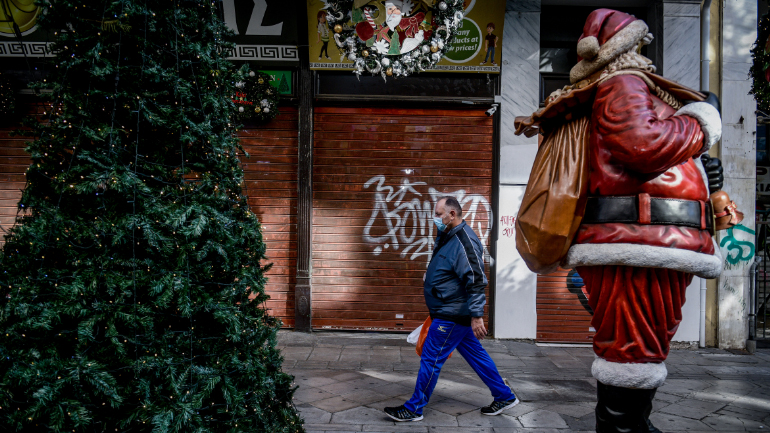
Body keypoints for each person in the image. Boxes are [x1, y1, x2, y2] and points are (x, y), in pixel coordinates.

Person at [515, 9, 724, 433]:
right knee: (633, 348)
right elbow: (643, 146)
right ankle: (624, 428)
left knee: (640, 348)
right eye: (641, 42)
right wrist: (702, 123)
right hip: (637, 241)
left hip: (645, 240)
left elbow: (645, 154)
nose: (646, 51)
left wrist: (701, 172)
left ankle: (631, 425)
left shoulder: (626, 85)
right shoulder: (623, 81)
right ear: (628, 46)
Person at [383, 196, 518, 422]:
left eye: (438, 214)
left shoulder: (465, 241)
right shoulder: (448, 235)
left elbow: (475, 279)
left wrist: (477, 316)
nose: (434, 218)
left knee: (431, 358)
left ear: (452, 214)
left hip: (452, 314)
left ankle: (415, 408)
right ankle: (504, 395)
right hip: (452, 311)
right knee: (477, 355)